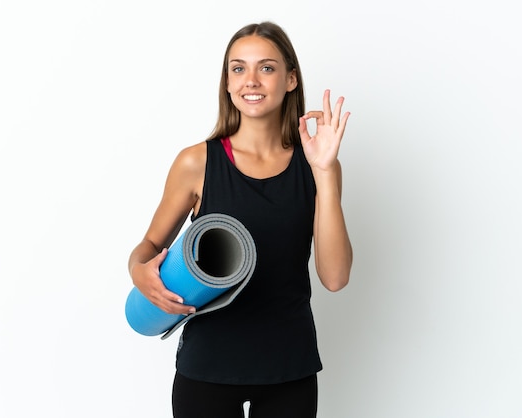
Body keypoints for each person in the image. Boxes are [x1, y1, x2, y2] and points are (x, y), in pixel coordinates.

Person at [128, 21, 353, 418]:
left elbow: (334, 279)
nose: (251, 80)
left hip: (289, 367)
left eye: (266, 68)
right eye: (238, 68)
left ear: (290, 80)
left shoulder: (318, 166)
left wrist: (325, 174)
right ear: (227, 83)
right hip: (207, 368)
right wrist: (138, 271)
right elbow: (148, 246)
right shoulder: (197, 161)